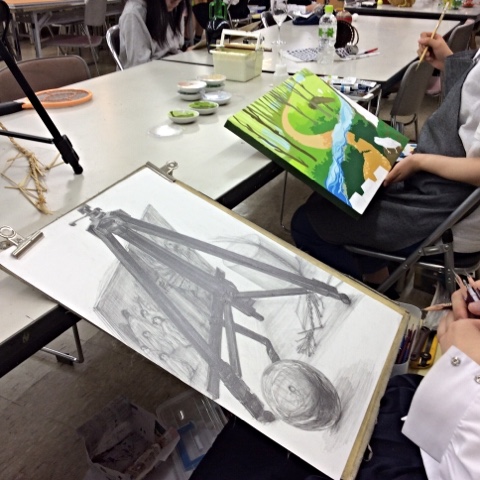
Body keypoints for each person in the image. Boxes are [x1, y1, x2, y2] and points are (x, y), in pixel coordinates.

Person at [189, 283, 480, 480]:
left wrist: (466, 367)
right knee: (251, 439)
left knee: (248, 444)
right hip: (418, 414)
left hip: (429, 456)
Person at [290, 31, 480, 292]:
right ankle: (380, 277)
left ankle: (372, 298)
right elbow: (470, 102)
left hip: (447, 212)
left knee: (307, 224)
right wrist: (447, 60)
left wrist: (419, 162)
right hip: (440, 189)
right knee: (335, 197)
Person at [118, 0, 191, 69]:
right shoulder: (133, 14)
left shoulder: (173, 7)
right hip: (146, 74)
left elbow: (178, 46)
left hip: (169, 70)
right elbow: (140, 66)